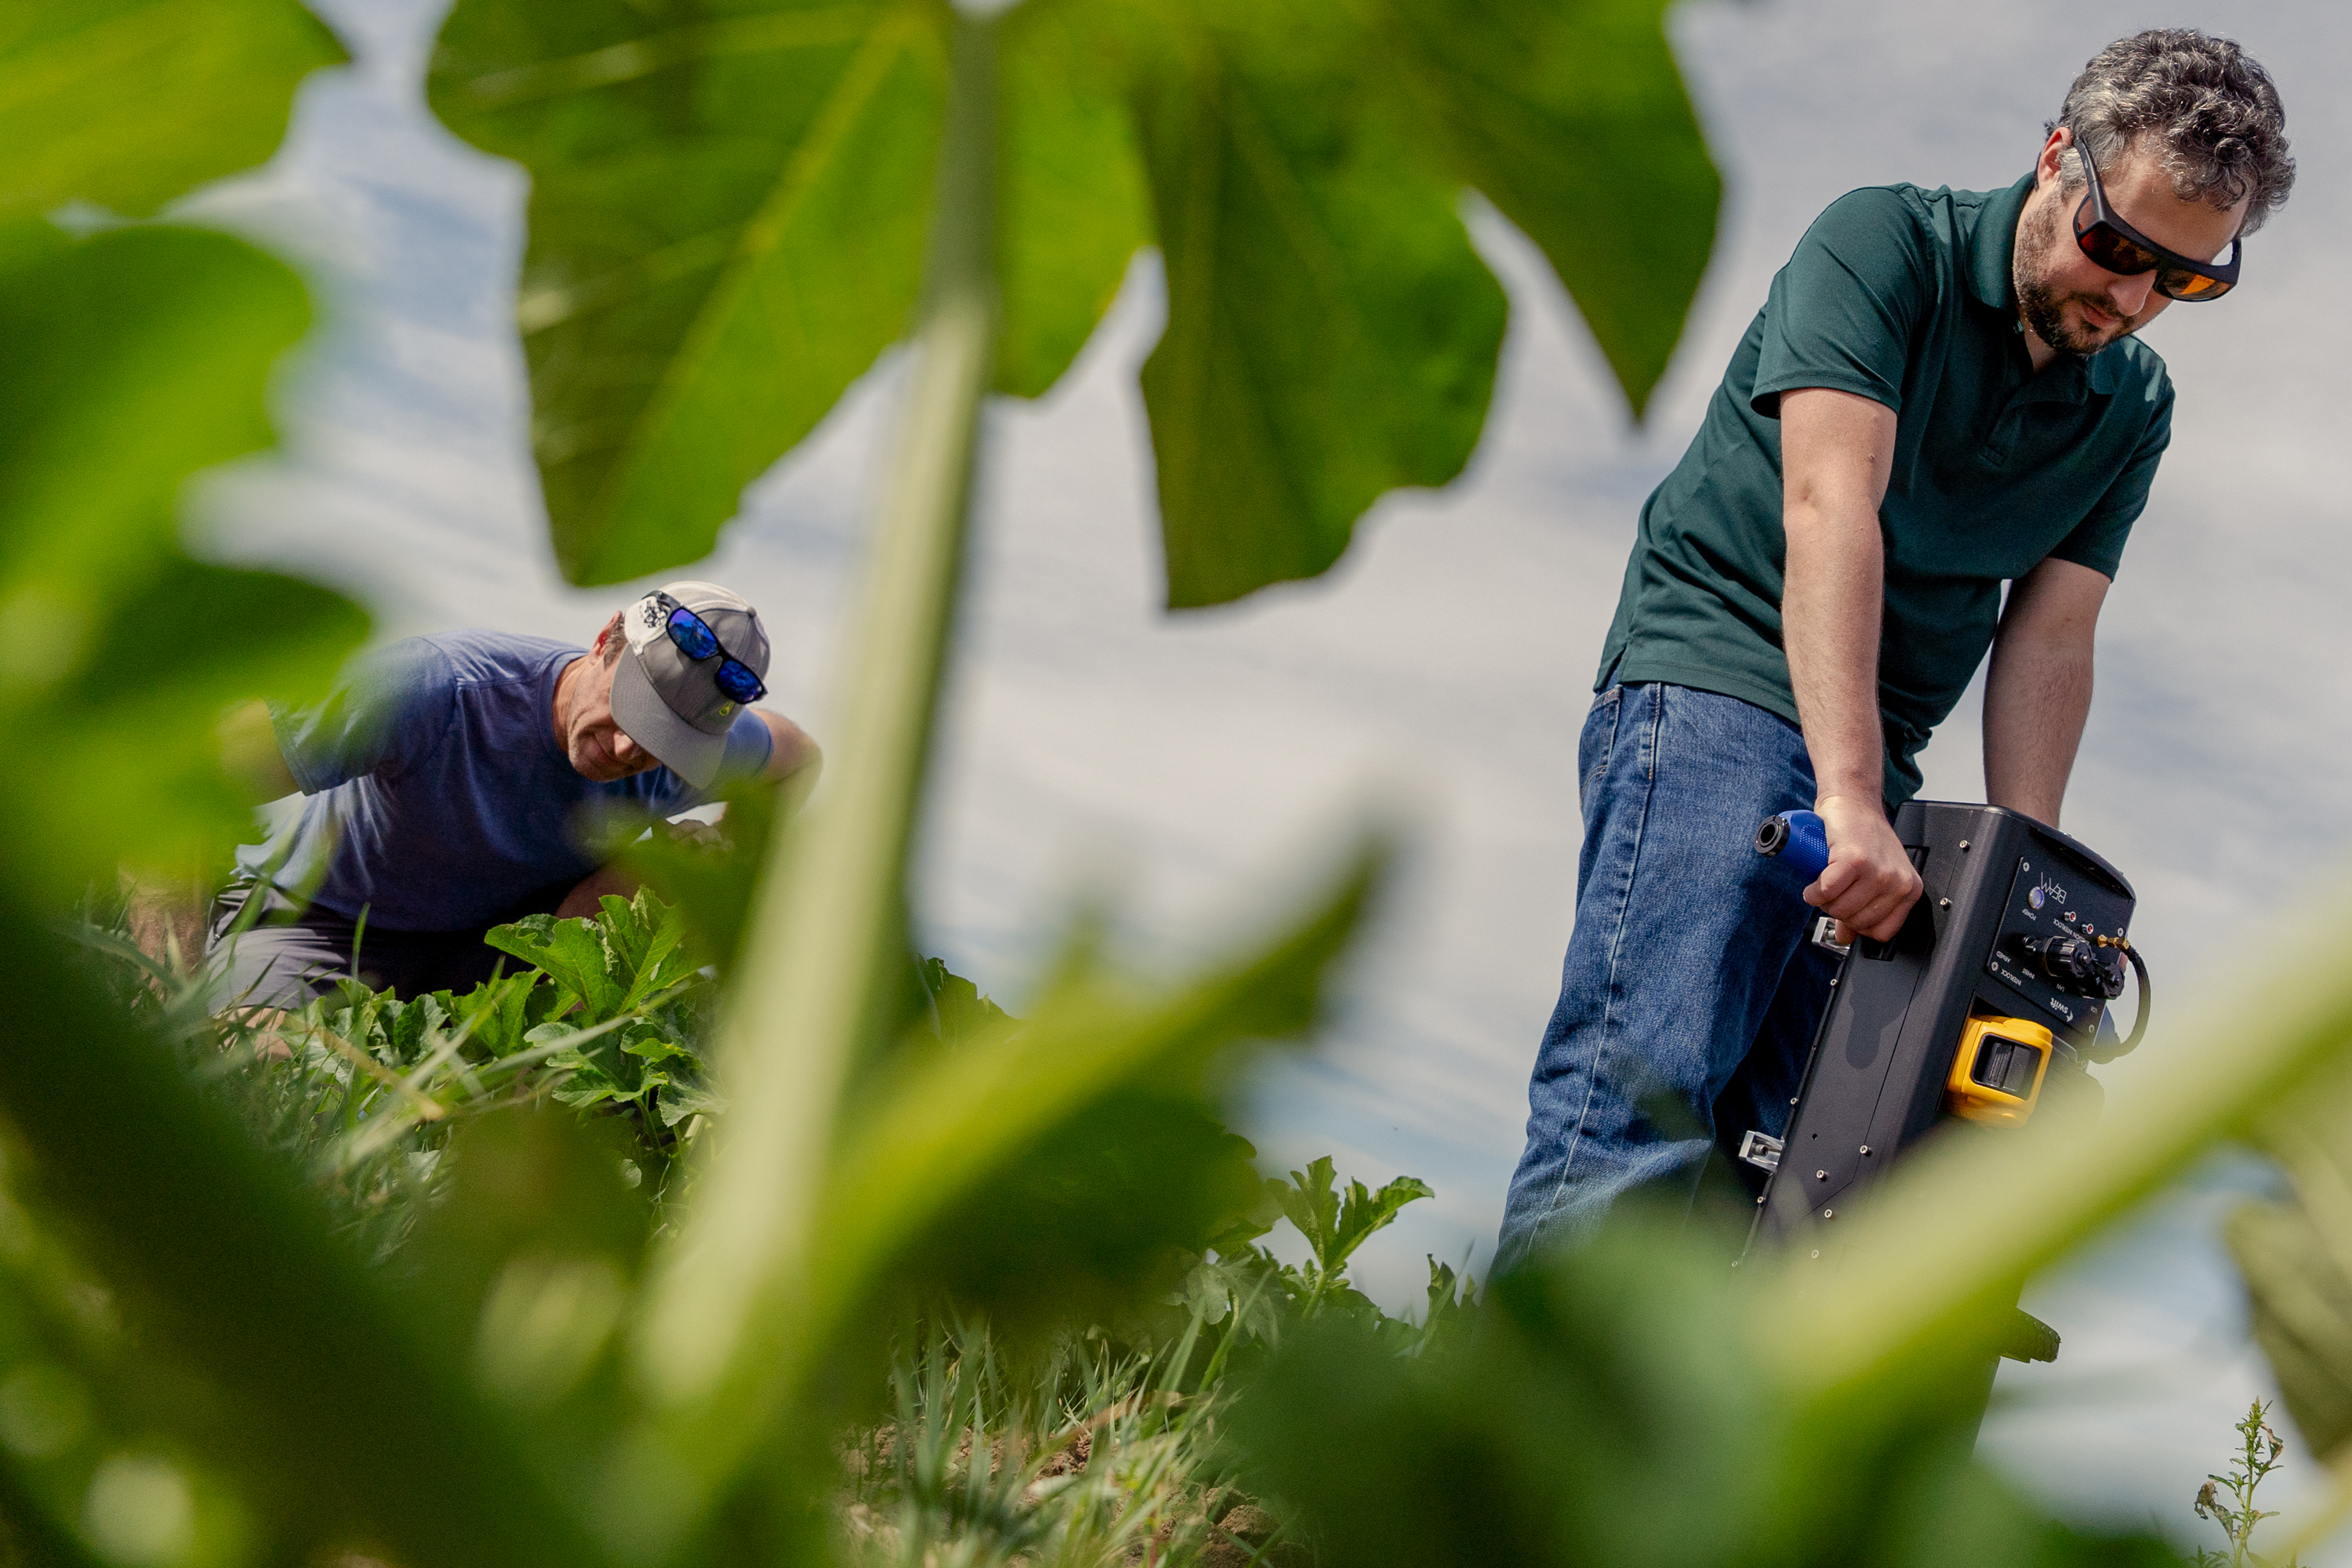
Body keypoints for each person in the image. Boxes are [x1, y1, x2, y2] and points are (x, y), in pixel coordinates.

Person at [1496, 30, 2294, 1266]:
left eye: (2182, 282)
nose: (2133, 301)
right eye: (2119, 250)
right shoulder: (1885, 248)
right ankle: (1485, 1462)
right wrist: (1849, 795)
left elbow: (2052, 636)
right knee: (1642, 1112)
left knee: (1807, 1168)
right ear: (2055, 164)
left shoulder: (2131, 407)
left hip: (1873, 772)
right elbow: (1831, 506)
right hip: (1723, 681)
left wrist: (2016, 904)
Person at [209, 580, 821, 1007]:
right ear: (606, 639)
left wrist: (723, 846)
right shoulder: (434, 689)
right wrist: (163, 967)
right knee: (271, 1066)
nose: (633, 752)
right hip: (320, 924)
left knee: (670, 869)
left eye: (667, 741)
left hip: (488, 951)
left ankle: (516, 1071)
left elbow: (797, 757)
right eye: (633, 714)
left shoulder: (698, 754)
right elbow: (202, 776)